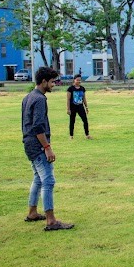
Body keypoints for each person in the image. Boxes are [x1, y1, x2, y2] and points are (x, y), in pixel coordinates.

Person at [22, 67, 74, 231]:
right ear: (43, 81)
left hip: (28, 143)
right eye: (52, 82)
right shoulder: (39, 99)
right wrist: (47, 147)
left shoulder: (28, 96)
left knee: (38, 178)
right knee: (48, 181)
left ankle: (32, 213)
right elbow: (37, 126)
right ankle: (51, 221)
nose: (54, 85)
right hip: (37, 145)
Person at [66, 75, 91, 140]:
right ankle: (71, 135)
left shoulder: (82, 88)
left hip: (80, 107)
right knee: (72, 121)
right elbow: (68, 99)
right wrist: (68, 109)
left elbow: (84, 98)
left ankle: (87, 135)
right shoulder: (70, 89)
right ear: (74, 80)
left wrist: (86, 107)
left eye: (80, 80)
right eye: (77, 80)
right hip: (73, 107)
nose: (79, 81)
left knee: (85, 120)